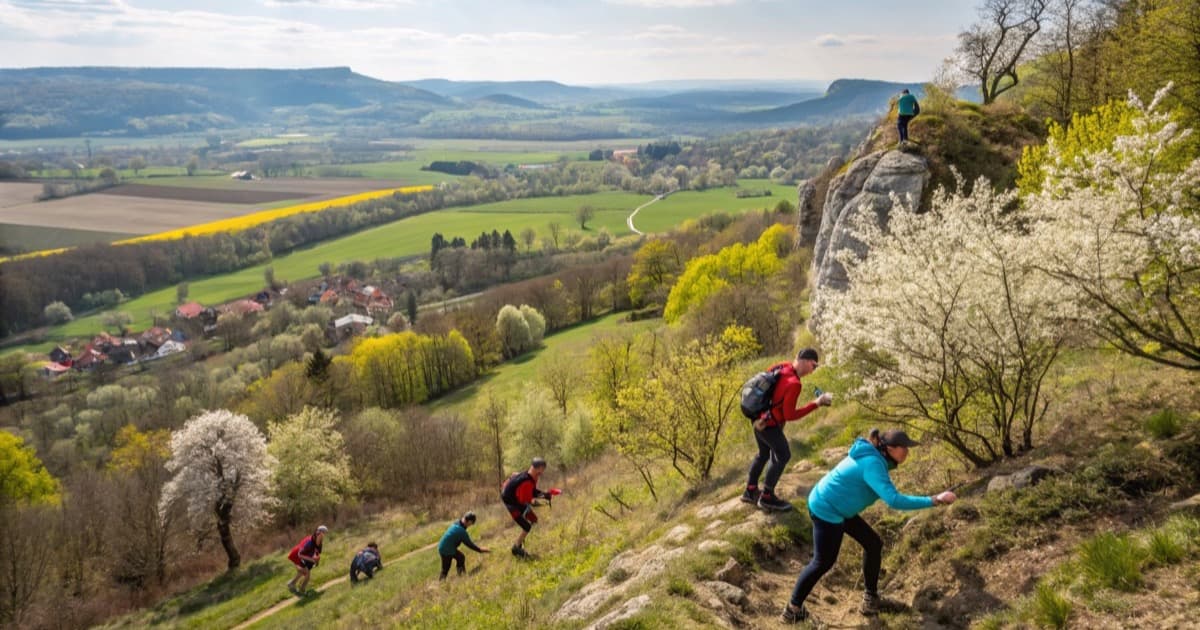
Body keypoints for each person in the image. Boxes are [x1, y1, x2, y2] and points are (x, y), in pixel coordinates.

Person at [780, 429, 957, 625]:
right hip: (826, 508)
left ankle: (870, 599)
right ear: (889, 448)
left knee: (873, 544)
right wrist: (934, 500)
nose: (907, 451)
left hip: (838, 507)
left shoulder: (874, 458)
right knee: (823, 562)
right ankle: (792, 610)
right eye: (904, 448)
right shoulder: (873, 464)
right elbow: (894, 500)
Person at [743, 348, 834, 512]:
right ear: (806, 361)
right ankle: (767, 497)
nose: (813, 371)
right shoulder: (795, 384)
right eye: (814, 366)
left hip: (758, 418)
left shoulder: (781, 366)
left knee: (763, 454)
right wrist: (816, 403)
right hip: (769, 425)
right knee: (783, 454)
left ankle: (750, 490)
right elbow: (790, 415)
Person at [500, 457, 554, 557]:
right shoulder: (526, 481)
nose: (542, 472)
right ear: (538, 468)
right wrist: (542, 501)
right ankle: (516, 548)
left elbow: (532, 491)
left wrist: (545, 495)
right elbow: (526, 500)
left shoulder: (531, 476)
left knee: (533, 519)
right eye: (542, 469)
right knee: (526, 526)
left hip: (516, 497)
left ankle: (520, 541)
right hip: (510, 501)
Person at [437, 512, 489, 579]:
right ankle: (444, 583)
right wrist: (480, 550)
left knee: (460, 557)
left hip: (443, 546)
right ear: (469, 522)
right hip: (446, 549)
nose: (471, 525)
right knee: (446, 569)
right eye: (472, 523)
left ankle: (462, 577)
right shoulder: (461, 531)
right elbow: (469, 544)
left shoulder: (457, 522)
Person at [286, 525, 327, 596]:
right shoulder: (310, 542)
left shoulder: (319, 542)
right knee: (307, 574)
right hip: (297, 554)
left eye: (324, 533)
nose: (323, 535)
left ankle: (291, 584)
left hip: (303, 554)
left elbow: (317, 552)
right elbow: (300, 554)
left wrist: (316, 560)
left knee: (302, 572)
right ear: (318, 533)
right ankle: (302, 590)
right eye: (322, 533)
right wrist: (312, 560)